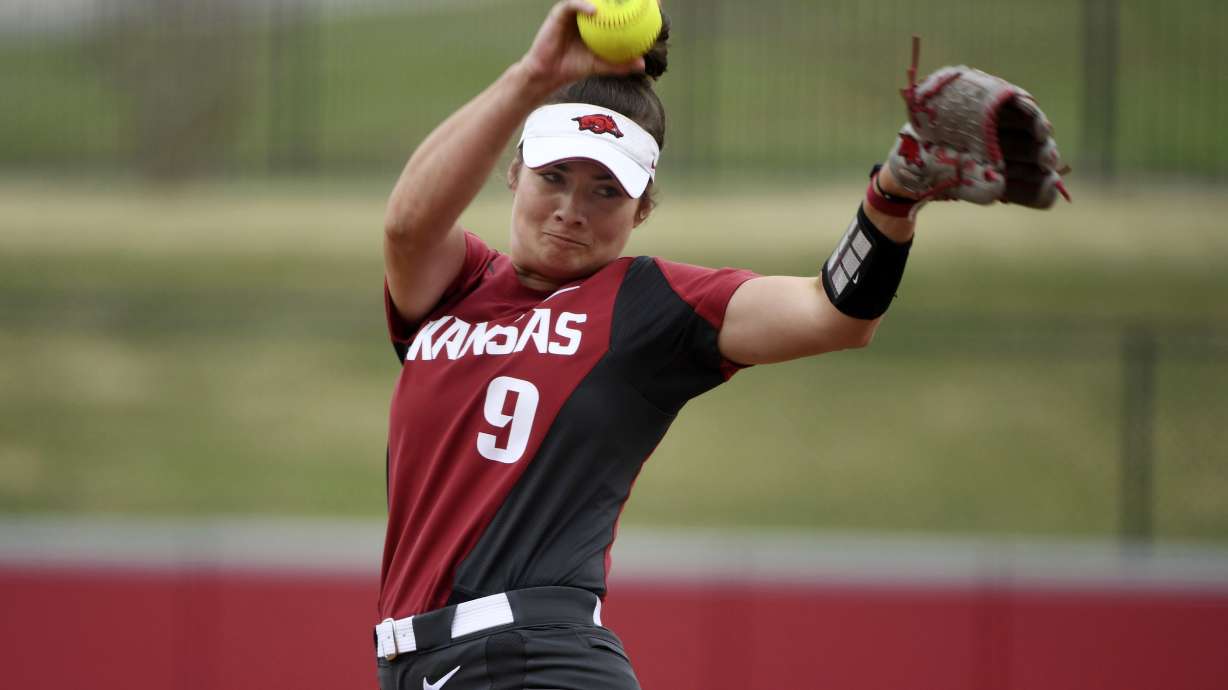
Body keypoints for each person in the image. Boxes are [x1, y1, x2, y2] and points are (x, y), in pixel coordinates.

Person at [373, 3, 1066, 689]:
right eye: (554, 176)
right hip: (427, 668)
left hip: (531, 661)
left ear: (642, 210)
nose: (571, 208)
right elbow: (407, 226)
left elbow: (832, 313)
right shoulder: (456, 286)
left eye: (606, 190)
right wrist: (532, 77)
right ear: (515, 173)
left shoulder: (648, 305)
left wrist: (893, 195)